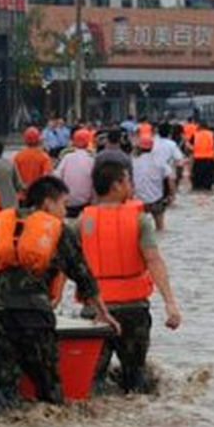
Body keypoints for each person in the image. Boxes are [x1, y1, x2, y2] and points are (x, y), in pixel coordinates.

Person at [0, 176, 120, 406]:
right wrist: (104, 314)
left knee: (5, 385)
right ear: (48, 203)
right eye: (63, 204)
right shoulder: (56, 230)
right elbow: (83, 275)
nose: (65, 211)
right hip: (34, 316)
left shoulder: (1, 223)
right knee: (48, 387)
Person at [79, 161, 182, 394]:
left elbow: (67, 267)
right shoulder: (140, 220)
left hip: (94, 312)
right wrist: (170, 303)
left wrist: (53, 302)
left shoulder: (81, 223)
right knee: (135, 379)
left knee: (90, 383)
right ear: (116, 185)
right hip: (132, 311)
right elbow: (154, 261)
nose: (131, 186)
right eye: (128, 181)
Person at [131, 129, 175, 231]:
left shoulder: (133, 161)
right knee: (160, 229)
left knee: (138, 229)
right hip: (157, 199)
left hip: (138, 200)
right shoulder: (160, 160)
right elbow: (170, 178)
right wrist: (172, 195)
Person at [53, 129, 96, 216]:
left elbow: (56, 177)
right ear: (88, 143)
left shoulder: (67, 157)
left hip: (67, 203)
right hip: (86, 204)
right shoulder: (92, 160)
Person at [13, 127, 54, 197]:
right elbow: (47, 177)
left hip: (22, 195)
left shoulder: (17, 156)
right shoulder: (44, 157)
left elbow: (14, 177)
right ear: (39, 140)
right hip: (38, 195)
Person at [189, 122, 214, 191]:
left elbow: (189, 146)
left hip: (198, 160)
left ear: (199, 127)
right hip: (209, 160)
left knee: (197, 183)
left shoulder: (195, 134)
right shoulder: (212, 134)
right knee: (208, 182)